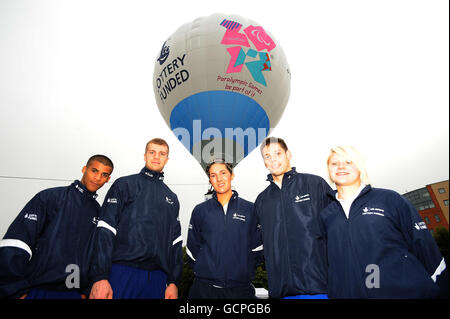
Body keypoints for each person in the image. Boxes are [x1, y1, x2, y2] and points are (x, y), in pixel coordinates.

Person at [320, 145, 448, 298]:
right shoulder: (326, 215)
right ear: (329, 170)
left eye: (348, 162)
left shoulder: (389, 199)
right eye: (334, 163)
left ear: (360, 167)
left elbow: (424, 246)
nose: (341, 166)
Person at [0, 155, 114, 299]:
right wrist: (15, 290)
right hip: (37, 289)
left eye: (104, 175)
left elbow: (93, 255)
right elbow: (17, 242)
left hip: (72, 292)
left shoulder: (98, 212)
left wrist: (84, 292)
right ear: (84, 169)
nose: (98, 178)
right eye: (94, 171)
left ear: (108, 179)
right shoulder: (50, 197)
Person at [89, 138, 182, 299]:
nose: (156, 157)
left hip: (157, 279)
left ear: (167, 159)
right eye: (152, 152)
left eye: (162, 154)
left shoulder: (172, 198)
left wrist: (173, 282)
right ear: (145, 155)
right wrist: (100, 276)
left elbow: (175, 243)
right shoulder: (124, 184)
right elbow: (105, 230)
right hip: (122, 272)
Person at [254, 137, 333, 299]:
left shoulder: (315, 184)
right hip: (280, 291)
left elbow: (338, 231)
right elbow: (258, 245)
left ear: (288, 154)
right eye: (267, 156)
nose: (273, 159)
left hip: (319, 288)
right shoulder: (261, 200)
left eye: (277, 153)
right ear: (264, 162)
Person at [186, 159, 262, 299]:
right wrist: (206, 270)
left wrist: (244, 270)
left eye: (223, 173)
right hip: (204, 290)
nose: (219, 179)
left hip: (241, 290)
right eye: (213, 175)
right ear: (210, 180)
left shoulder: (250, 209)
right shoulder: (200, 210)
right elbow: (192, 249)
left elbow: (257, 248)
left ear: (231, 175)